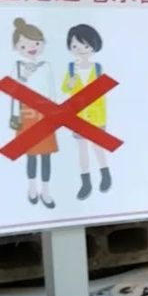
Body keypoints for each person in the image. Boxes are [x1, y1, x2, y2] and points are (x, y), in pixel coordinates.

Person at [9, 18, 57, 209]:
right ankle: (32, 188)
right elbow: (12, 93)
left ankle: (46, 190)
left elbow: (52, 92)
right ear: (17, 47)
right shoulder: (18, 67)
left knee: (46, 155)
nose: (31, 48)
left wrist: (56, 115)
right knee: (31, 155)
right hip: (26, 115)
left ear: (42, 44)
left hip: (45, 115)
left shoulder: (46, 66)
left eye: (36, 43)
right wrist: (15, 116)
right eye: (25, 44)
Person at [63, 24, 111, 200]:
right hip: (78, 117)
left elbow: (102, 91)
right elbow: (66, 88)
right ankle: (86, 182)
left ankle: (105, 174)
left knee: (98, 148)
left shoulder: (97, 68)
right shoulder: (70, 69)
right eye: (75, 46)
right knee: (82, 150)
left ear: (93, 46)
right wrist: (71, 82)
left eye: (85, 46)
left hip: (97, 116)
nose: (81, 50)